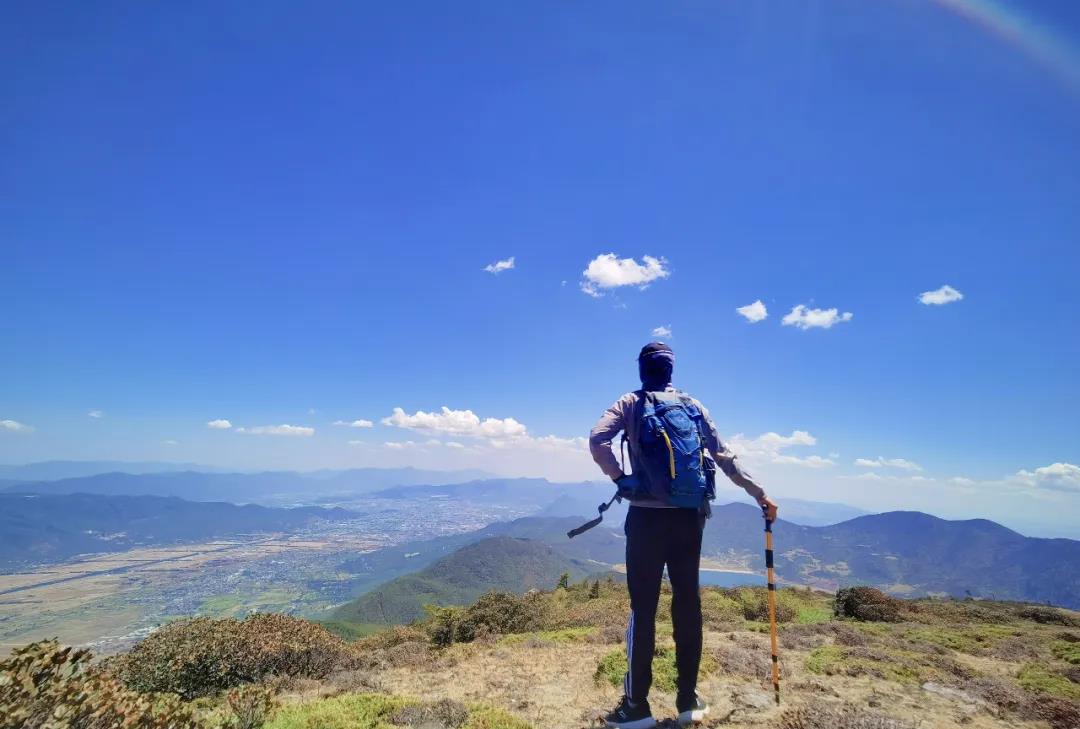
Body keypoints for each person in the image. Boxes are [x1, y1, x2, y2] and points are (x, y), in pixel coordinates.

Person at [589, 341, 778, 728]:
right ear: (671, 370)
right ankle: (687, 699)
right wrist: (759, 493)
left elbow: (598, 440)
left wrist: (621, 479)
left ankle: (636, 707)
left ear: (643, 370)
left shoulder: (630, 402)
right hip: (690, 519)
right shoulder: (693, 406)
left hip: (645, 519)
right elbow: (724, 457)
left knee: (643, 610)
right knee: (687, 604)